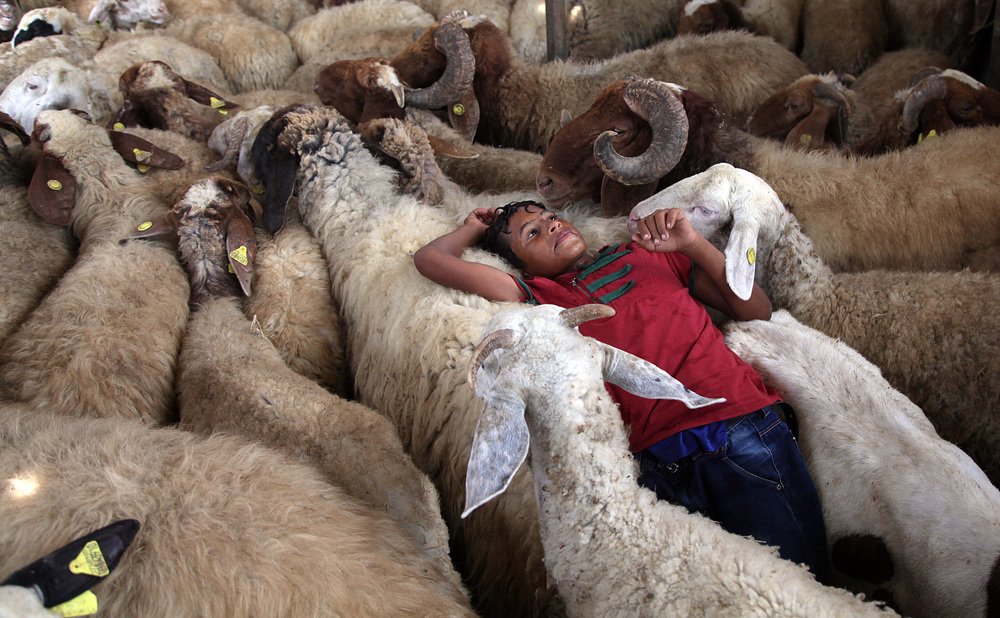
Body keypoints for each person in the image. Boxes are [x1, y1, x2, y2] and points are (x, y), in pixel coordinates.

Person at [414, 200, 829, 578]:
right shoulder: (538, 296)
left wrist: (691, 243)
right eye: (533, 235)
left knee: (801, 581)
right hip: (656, 464)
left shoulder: (648, 255)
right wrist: (472, 228)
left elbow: (755, 309)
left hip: (737, 427)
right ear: (521, 268)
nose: (552, 228)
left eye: (550, 218)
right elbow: (431, 260)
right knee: (717, 592)